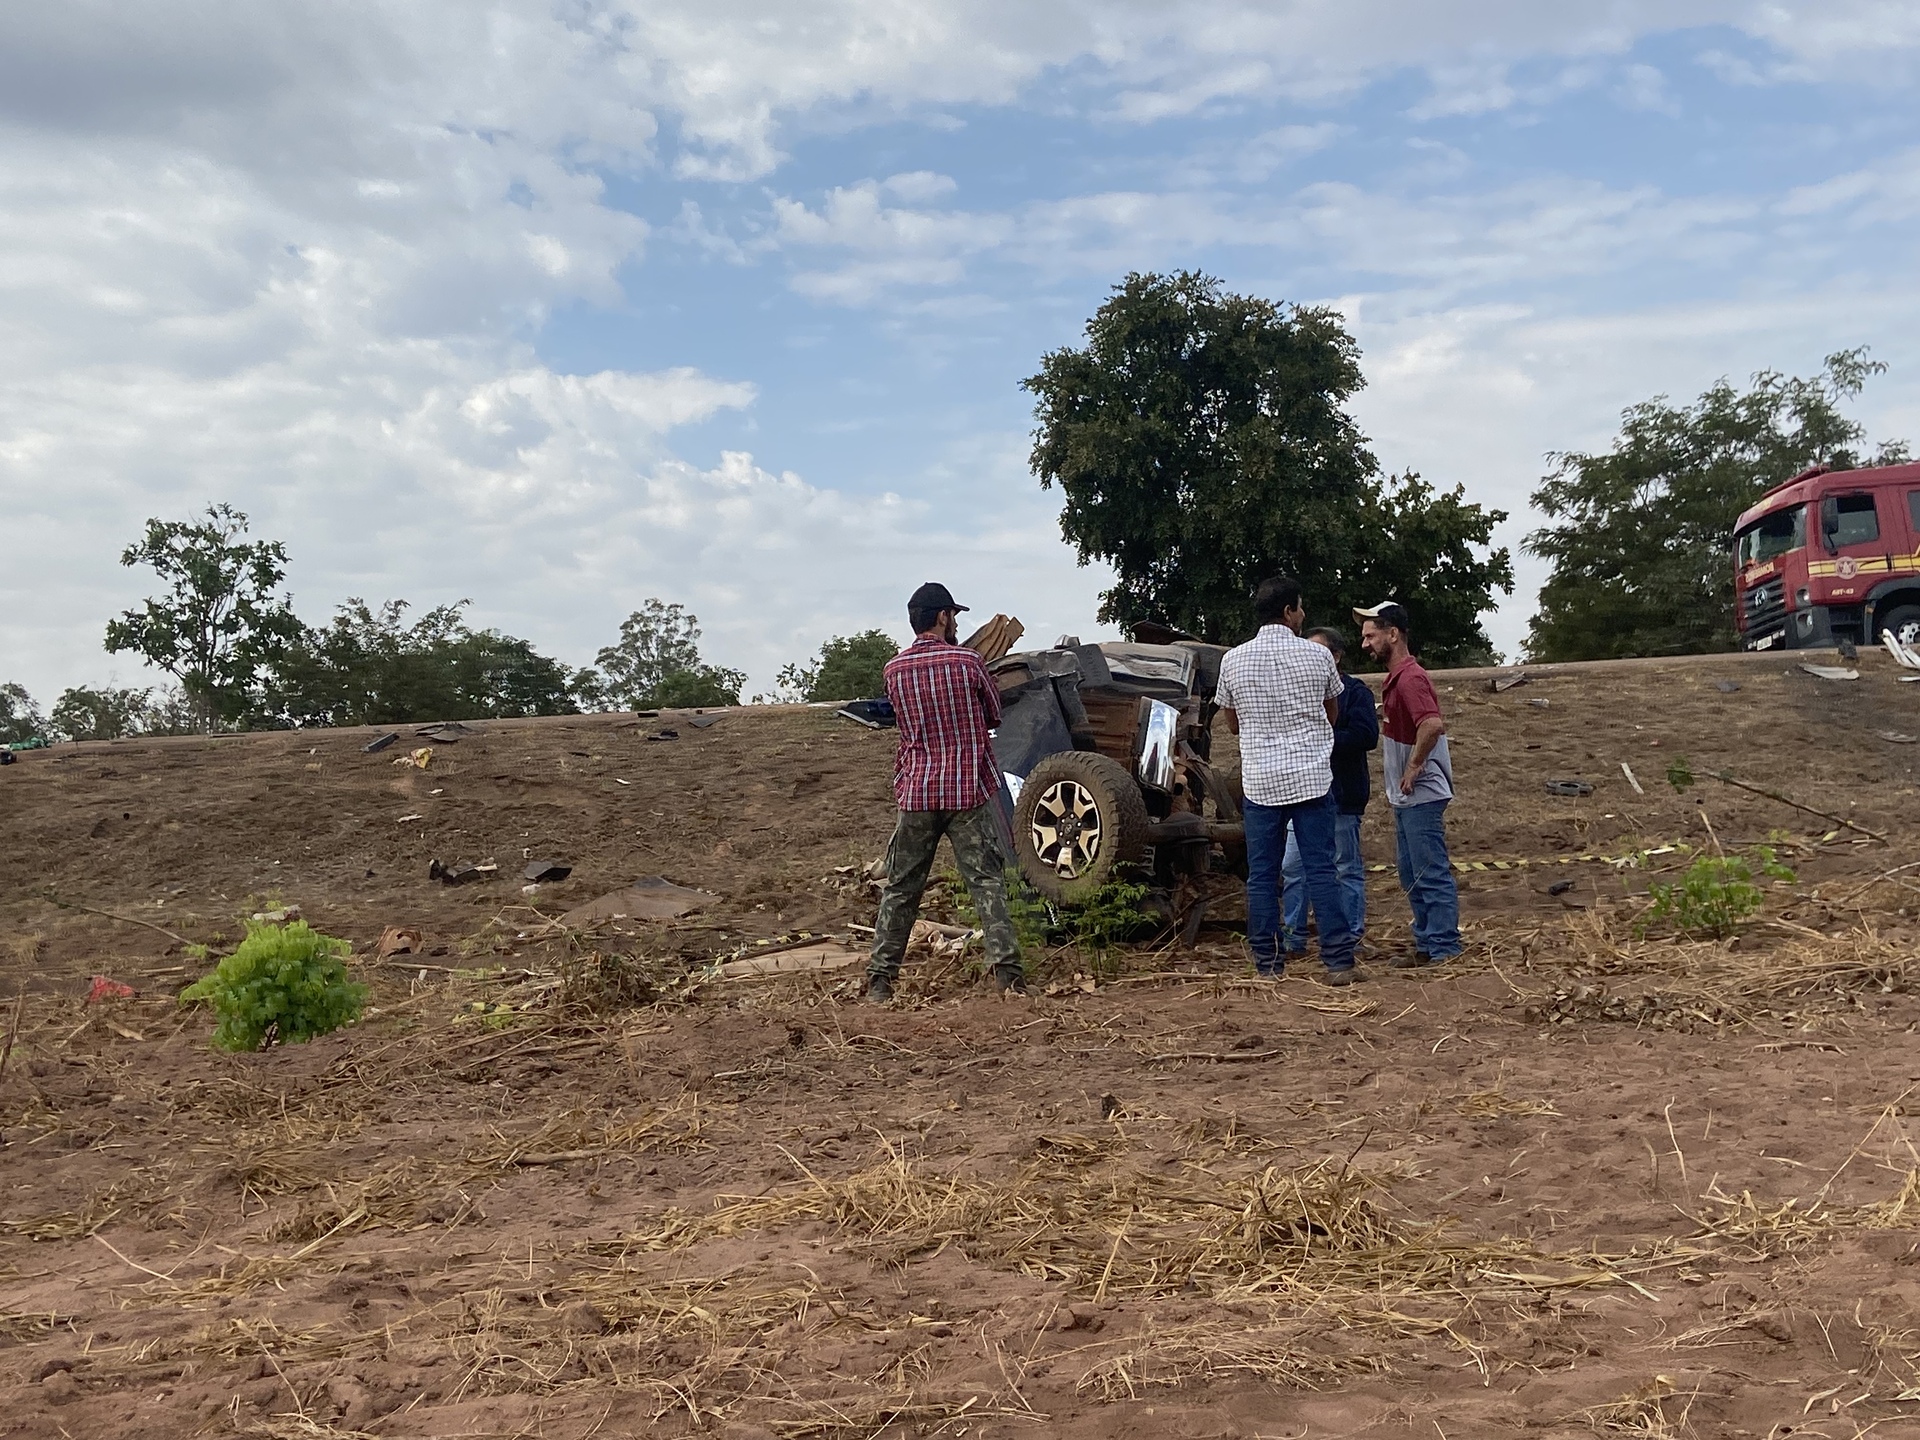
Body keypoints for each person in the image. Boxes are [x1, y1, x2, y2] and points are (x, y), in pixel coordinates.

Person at [866, 582, 1026, 1002]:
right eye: (953, 616)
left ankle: (880, 982)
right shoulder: (969, 662)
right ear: (942, 618)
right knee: (986, 883)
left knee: (901, 888)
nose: (955, 623)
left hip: (916, 793)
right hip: (967, 792)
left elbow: (902, 725)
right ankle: (1009, 978)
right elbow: (994, 713)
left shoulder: (893, 670)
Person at [1215, 576, 1360, 983]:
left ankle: (1267, 962)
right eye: (1300, 607)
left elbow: (1231, 723)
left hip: (1261, 782)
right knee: (1321, 869)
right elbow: (1331, 712)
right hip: (1311, 779)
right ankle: (1337, 960)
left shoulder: (1233, 660)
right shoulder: (1317, 658)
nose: (1303, 614)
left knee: (1262, 875)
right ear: (1288, 613)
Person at [1354, 601, 1461, 968]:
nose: (1365, 643)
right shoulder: (1399, 677)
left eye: (1371, 635)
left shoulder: (1411, 678)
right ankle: (1429, 944)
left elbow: (1431, 724)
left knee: (1427, 870)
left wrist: (1414, 767)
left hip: (1421, 793)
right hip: (1408, 795)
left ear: (1393, 634)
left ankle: (1444, 947)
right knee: (1411, 872)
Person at [1281, 626, 1377, 959]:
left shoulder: (1355, 692)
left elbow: (1367, 735)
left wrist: (1323, 741)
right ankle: (1293, 938)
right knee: (1293, 868)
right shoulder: (1297, 691)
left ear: (1335, 657)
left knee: (1344, 868)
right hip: (1301, 794)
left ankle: (1350, 936)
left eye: (1316, 652)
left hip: (1341, 794)